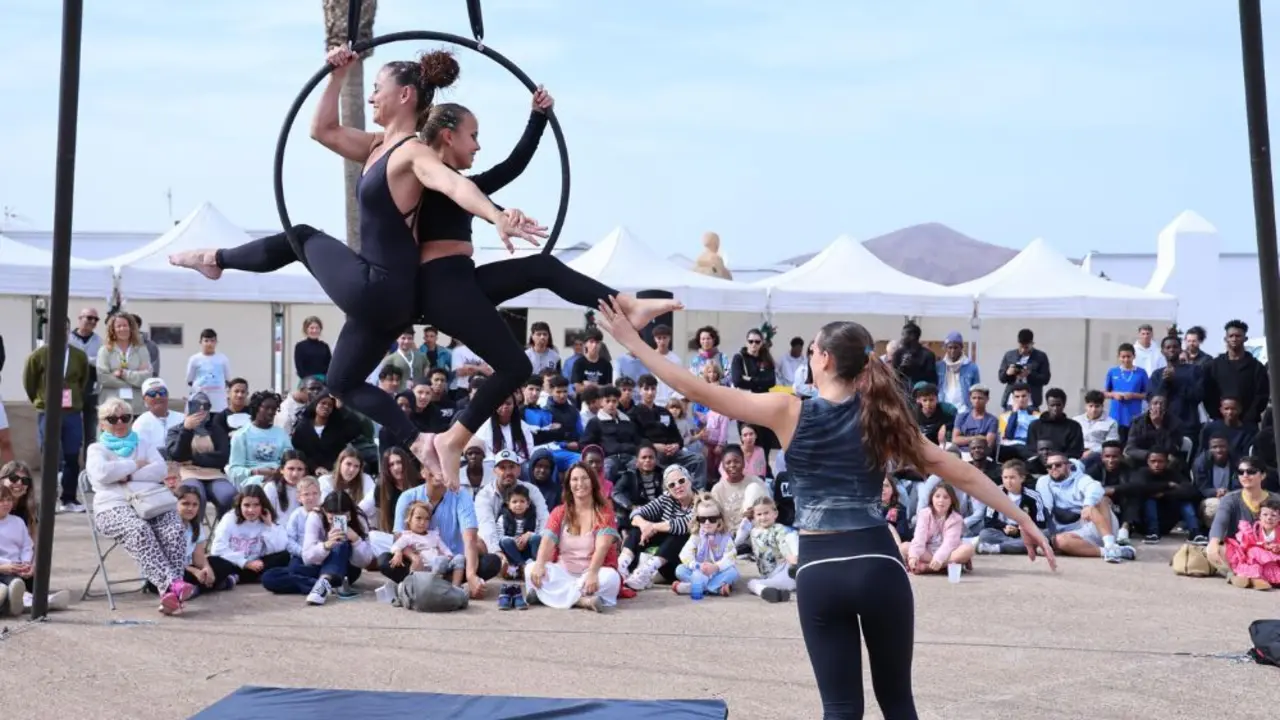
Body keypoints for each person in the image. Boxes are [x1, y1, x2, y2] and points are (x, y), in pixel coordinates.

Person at [593, 300, 1056, 719]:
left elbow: (693, 388)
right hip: (879, 565)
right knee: (898, 703)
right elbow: (965, 473)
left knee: (840, 710)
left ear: (826, 359)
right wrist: (1023, 518)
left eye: (813, 350)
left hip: (822, 571)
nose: (810, 356)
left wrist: (631, 341)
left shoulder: (789, 411)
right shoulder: (883, 418)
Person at [168, 46, 544, 473]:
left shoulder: (413, 153)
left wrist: (496, 215)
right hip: (388, 301)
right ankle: (419, 441)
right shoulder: (376, 146)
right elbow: (321, 130)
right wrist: (336, 75)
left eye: (377, 88)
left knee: (304, 236)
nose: (370, 98)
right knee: (341, 382)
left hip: (379, 284)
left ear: (404, 95)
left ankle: (215, 258)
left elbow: (456, 186)